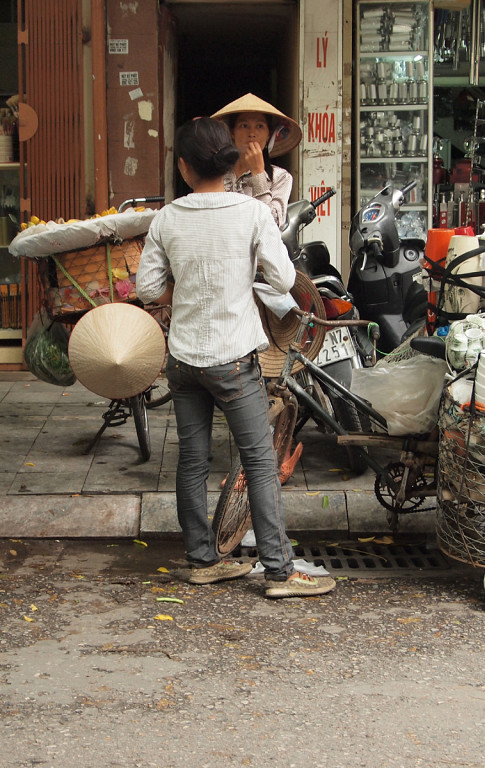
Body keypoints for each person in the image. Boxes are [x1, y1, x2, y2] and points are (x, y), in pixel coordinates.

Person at [136, 117, 335, 599]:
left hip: (183, 360)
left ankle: (203, 560)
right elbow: (285, 281)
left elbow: (146, 290)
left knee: (192, 462)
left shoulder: (167, 218)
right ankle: (280, 571)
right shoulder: (250, 214)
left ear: (184, 167)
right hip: (233, 359)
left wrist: (186, 286)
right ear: (228, 162)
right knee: (260, 461)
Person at [211, 93, 302, 228]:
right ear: (232, 133)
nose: (252, 133)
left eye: (259, 126)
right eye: (244, 125)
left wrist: (258, 173)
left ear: (268, 136)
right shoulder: (216, 173)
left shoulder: (280, 177)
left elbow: (273, 225)